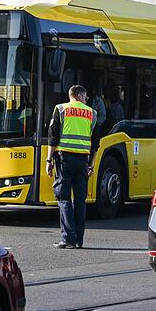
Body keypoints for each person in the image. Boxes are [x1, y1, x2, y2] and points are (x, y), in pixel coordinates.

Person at [46, 85, 97, 249]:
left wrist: (48, 160)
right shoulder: (92, 113)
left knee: (64, 197)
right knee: (80, 200)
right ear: (80, 95)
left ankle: (68, 238)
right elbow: (95, 143)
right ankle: (79, 239)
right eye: (86, 97)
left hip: (64, 160)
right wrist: (91, 165)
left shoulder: (61, 109)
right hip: (82, 161)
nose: (86, 100)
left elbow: (53, 137)